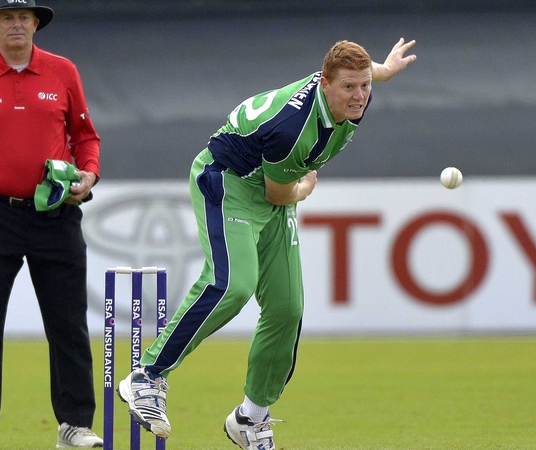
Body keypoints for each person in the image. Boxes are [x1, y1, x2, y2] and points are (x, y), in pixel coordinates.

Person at [117, 38, 416, 449]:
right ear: (325, 84)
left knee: (286, 308)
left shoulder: (352, 93)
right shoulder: (292, 131)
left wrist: (385, 70)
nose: (360, 95)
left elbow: (365, 76)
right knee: (233, 285)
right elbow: (280, 194)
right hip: (230, 181)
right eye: (349, 87)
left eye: (364, 85)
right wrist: (305, 188)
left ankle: (250, 418)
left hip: (271, 186)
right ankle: (147, 376)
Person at [0, 1, 103, 448]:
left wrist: (89, 175)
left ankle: (74, 425)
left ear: (35, 24)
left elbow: (85, 136)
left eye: (24, 17)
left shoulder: (62, 71)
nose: (16, 24)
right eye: (7, 17)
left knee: (67, 324)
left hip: (55, 213)